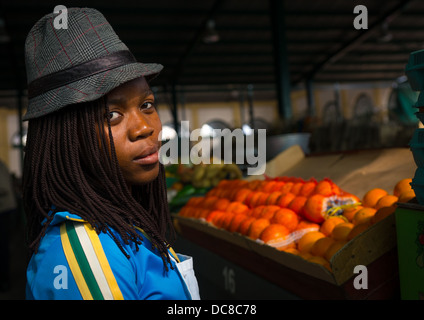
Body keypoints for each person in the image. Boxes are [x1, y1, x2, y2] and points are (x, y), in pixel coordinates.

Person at [23, 7, 200, 300]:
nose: (144, 127)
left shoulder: (119, 225)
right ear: (65, 138)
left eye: (146, 105)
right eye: (112, 115)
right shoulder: (85, 254)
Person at [0, 160, 18, 292]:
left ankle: (4, 281)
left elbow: (4, 188)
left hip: (4, 211)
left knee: (2, 247)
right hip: (5, 210)